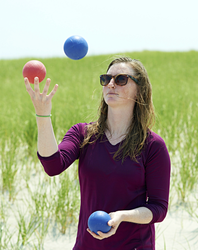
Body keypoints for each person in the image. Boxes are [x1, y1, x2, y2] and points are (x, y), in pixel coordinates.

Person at [24, 56, 171, 250]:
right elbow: (52, 166)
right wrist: (43, 114)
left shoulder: (153, 146)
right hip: (87, 245)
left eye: (120, 79)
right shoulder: (83, 134)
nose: (110, 84)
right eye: (106, 79)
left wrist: (123, 216)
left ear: (139, 90)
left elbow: (158, 209)